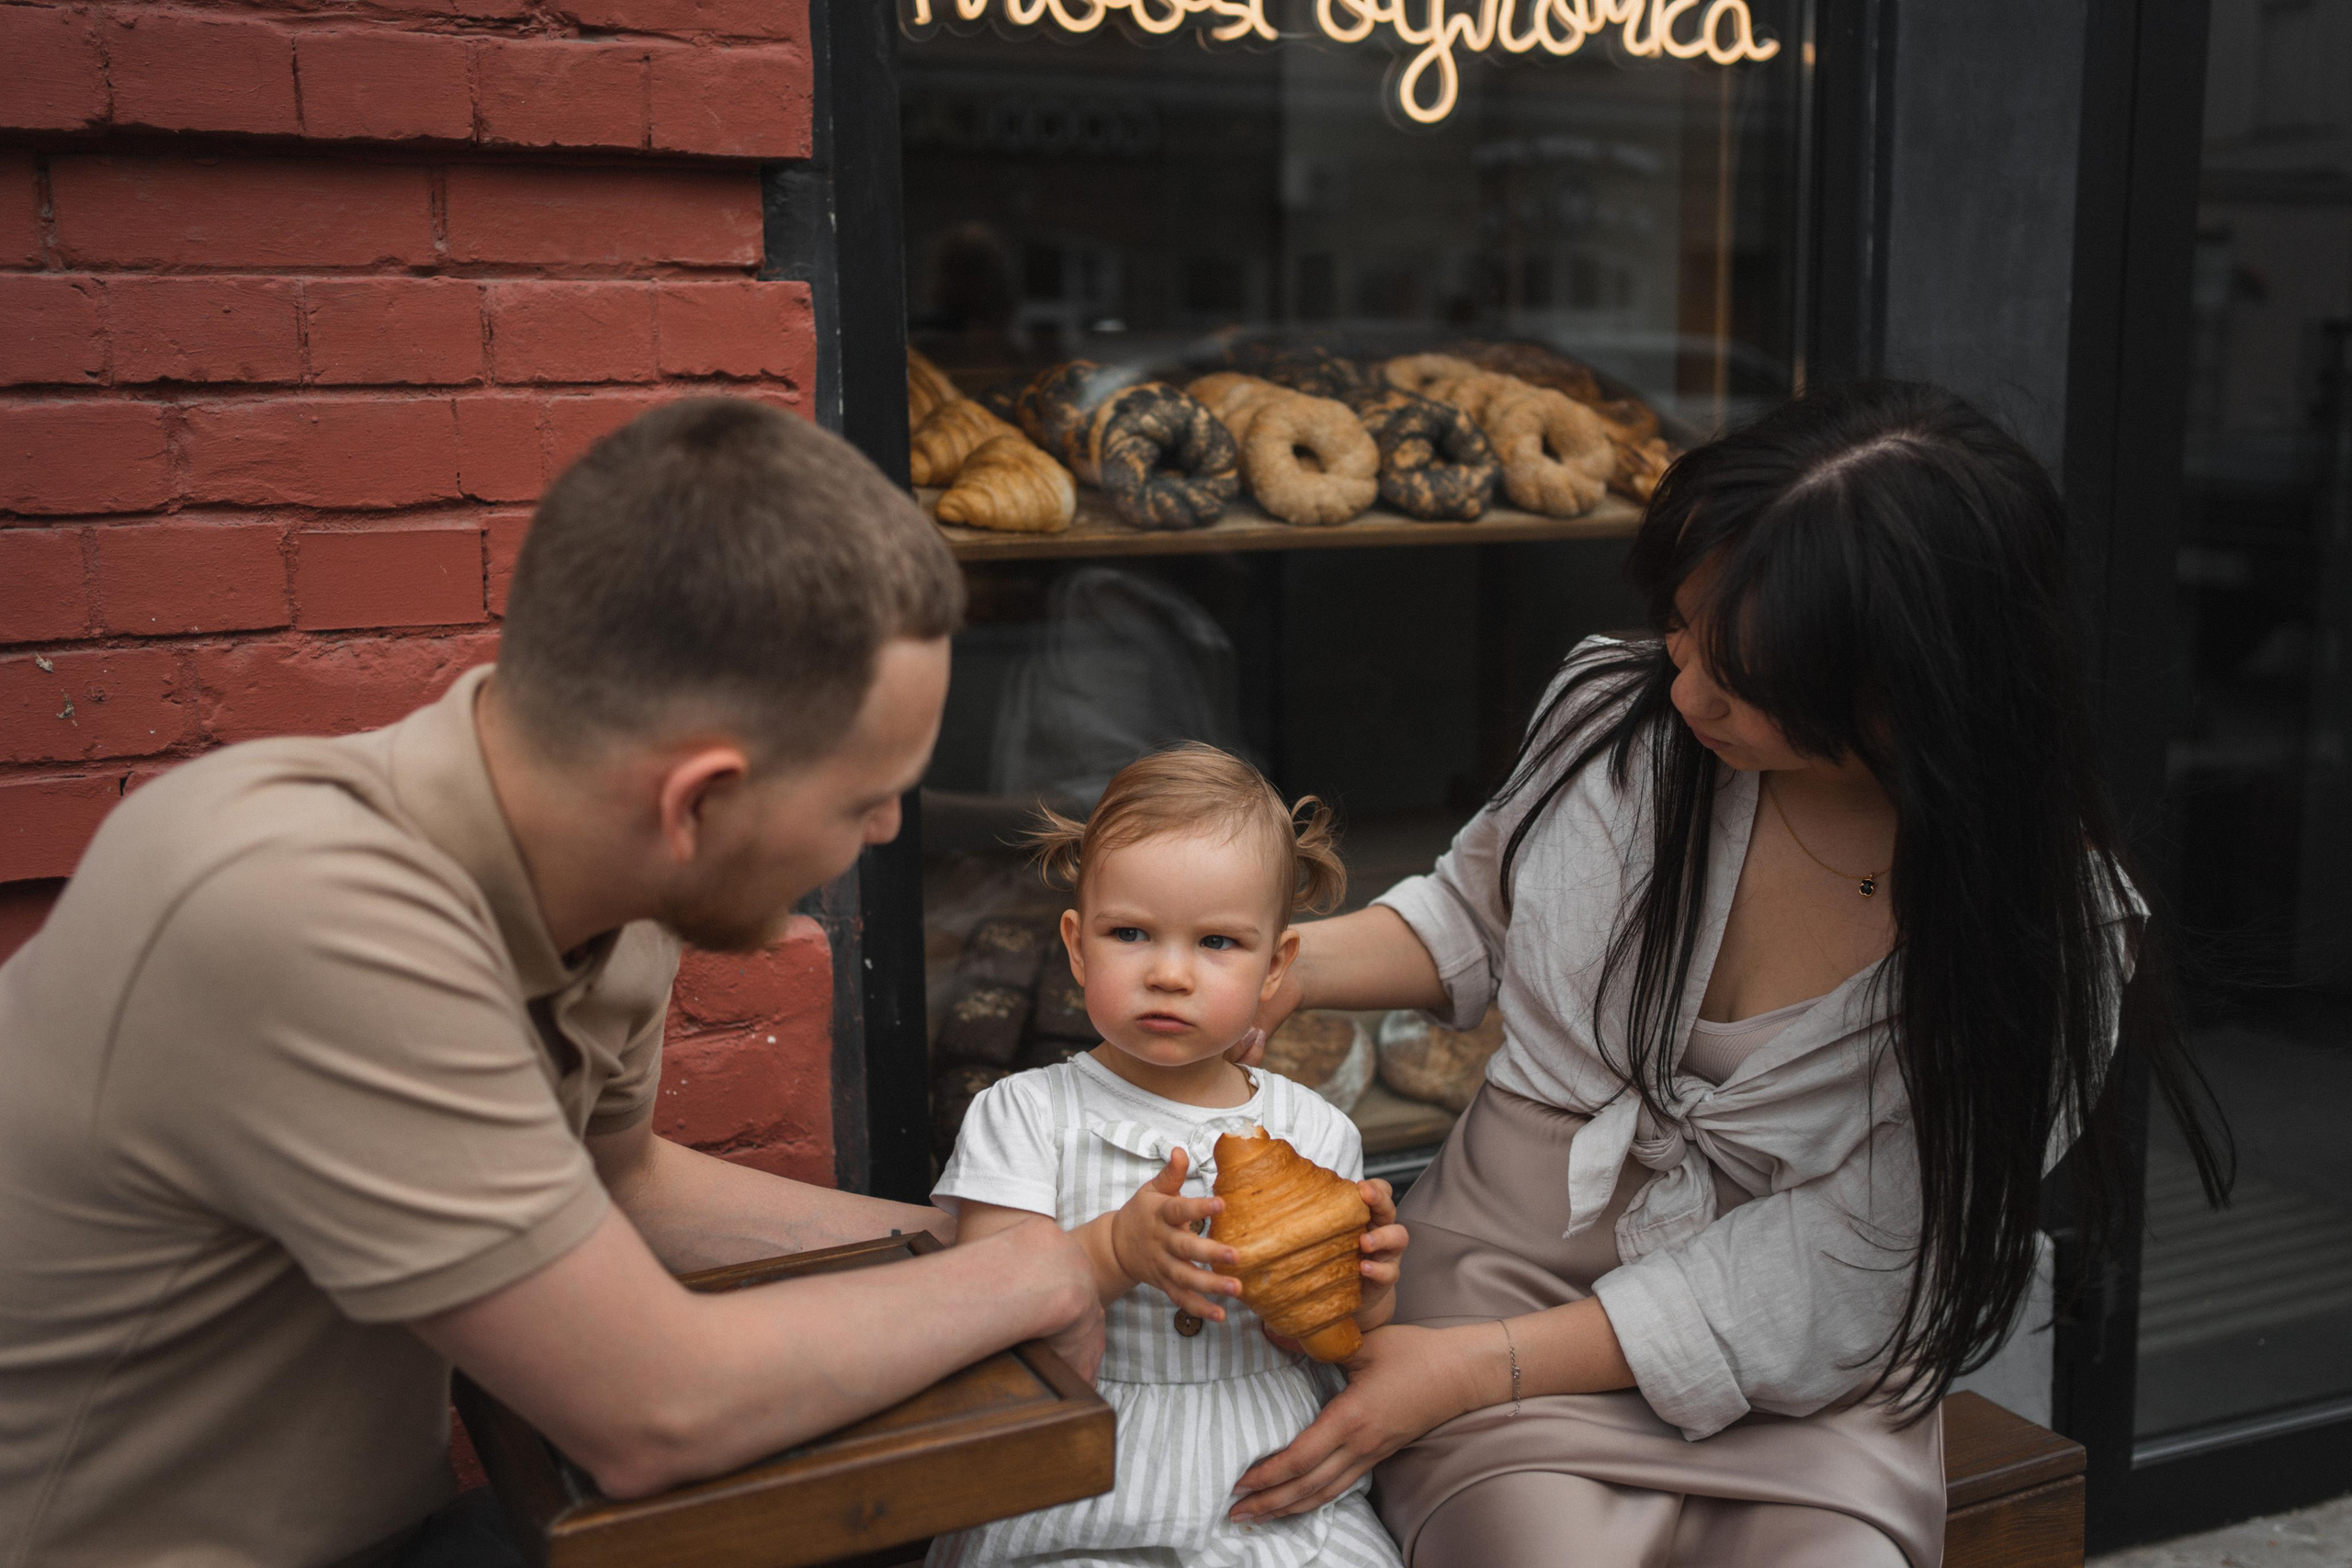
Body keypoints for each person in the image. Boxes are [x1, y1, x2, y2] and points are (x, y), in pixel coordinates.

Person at [0, 399, 1105, 1568]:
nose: (889, 830)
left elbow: (622, 1184)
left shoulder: (608, 883)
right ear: (696, 803)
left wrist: (990, 1242)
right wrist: (1035, 1275)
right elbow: (655, 1411)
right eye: (861, 798)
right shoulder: (304, 915)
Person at [1220, 381, 2233, 1565]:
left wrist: (1464, 1371)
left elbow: (1859, 1266)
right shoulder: (1622, 713)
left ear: (1919, 683)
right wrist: (1271, 970)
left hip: (1800, 1374)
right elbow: (1476, 916)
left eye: (1747, 678)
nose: (1688, 687)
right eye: (1685, 627)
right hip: (1504, 1273)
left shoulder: (2046, 933)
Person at [928, 744, 1408, 1568]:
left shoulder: (1314, 1133)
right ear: (1077, 947)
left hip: (1264, 1476)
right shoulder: (1025, 1114)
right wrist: (1112, 1252)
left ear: (1275, 966)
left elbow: (1316, 1340)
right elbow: (986, 1313)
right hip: (1080, 1477)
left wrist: (1359, 1295)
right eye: (1131, 933)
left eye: (1217, 941)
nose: (1169, 972)